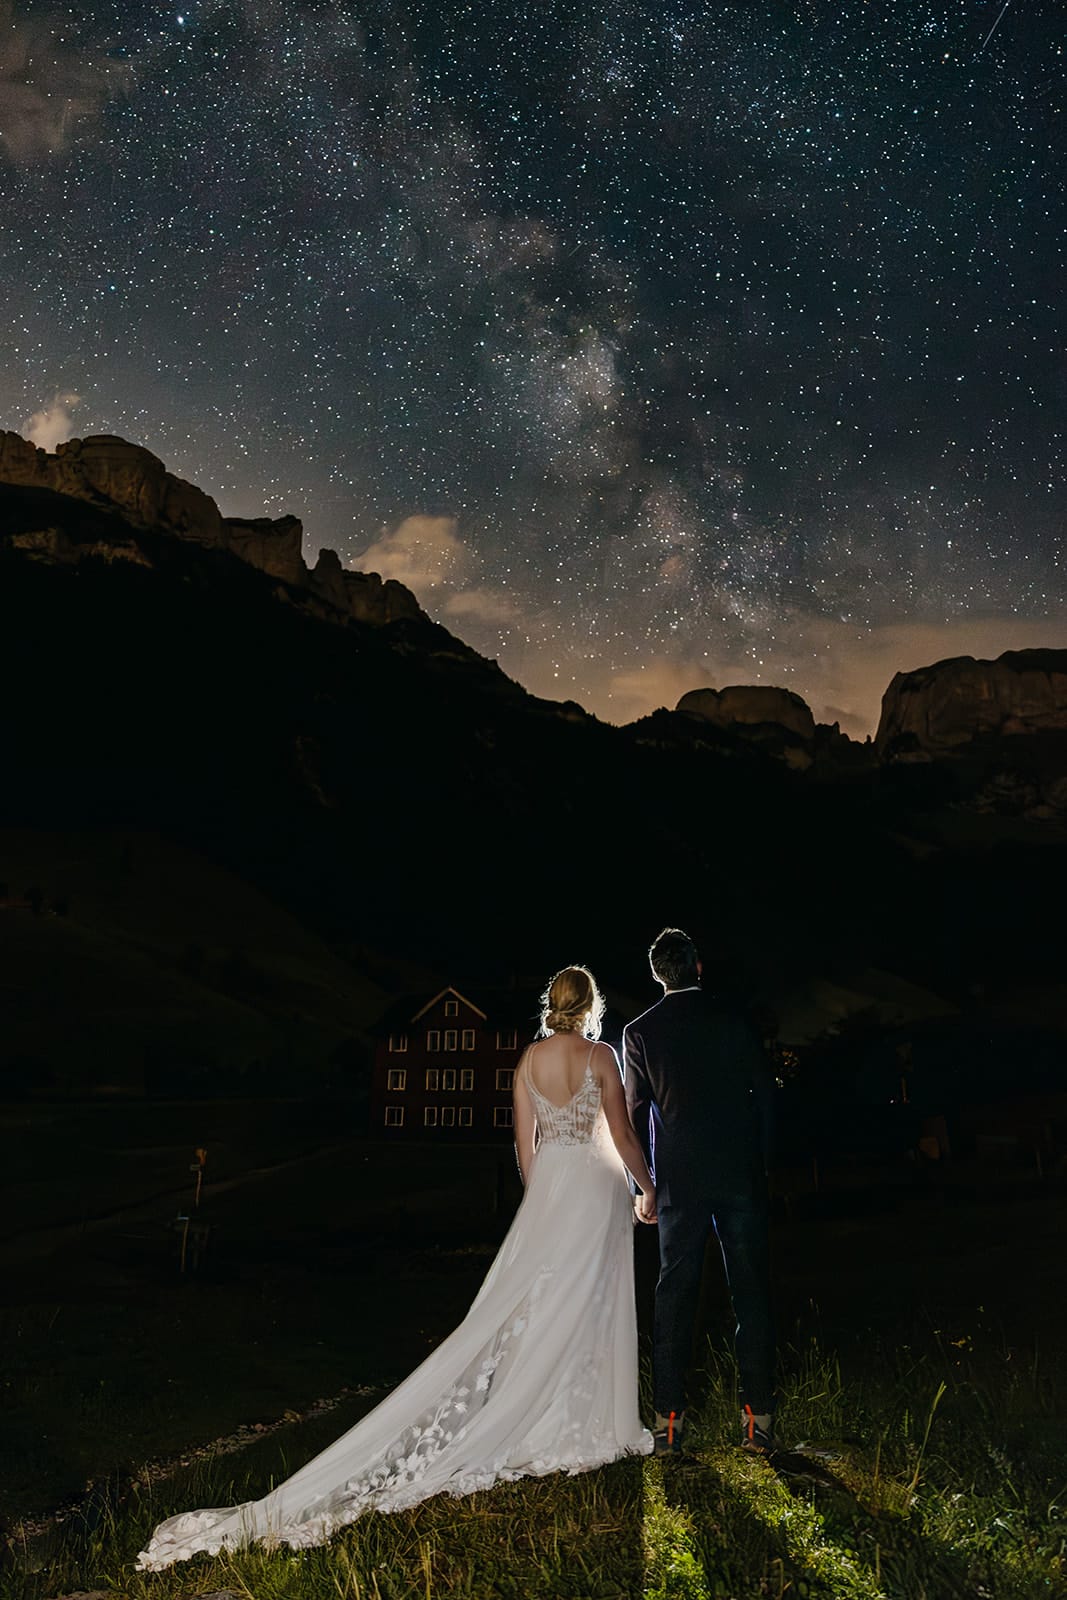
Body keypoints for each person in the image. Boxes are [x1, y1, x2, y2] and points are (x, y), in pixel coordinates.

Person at [136, 965, 656, 1571]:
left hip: (551, 1193)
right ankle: (580, 1419)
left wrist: (542, 1205)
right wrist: (647, 1188)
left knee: (538, 1303)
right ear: (591, 1006)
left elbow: (525, 1151)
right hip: (595, 1190)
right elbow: (620, 1132)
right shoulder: (600, 1058)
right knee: (590, 1299)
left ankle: (543, 1416)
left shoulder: (526, 1063)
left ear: (553, 1004)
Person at [623, 928, 775, 1457]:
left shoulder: (640, 1031)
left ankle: (669, 1424)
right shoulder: (732, 1020)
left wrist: (641, 1186)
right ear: (698, 967)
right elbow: (765, 1098)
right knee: (750, 1290)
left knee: (675, 1294)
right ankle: (758, 1422)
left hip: (677, 1184)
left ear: (657, 974)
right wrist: (764, 1165)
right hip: (739, 1176)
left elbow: (635, 1112)